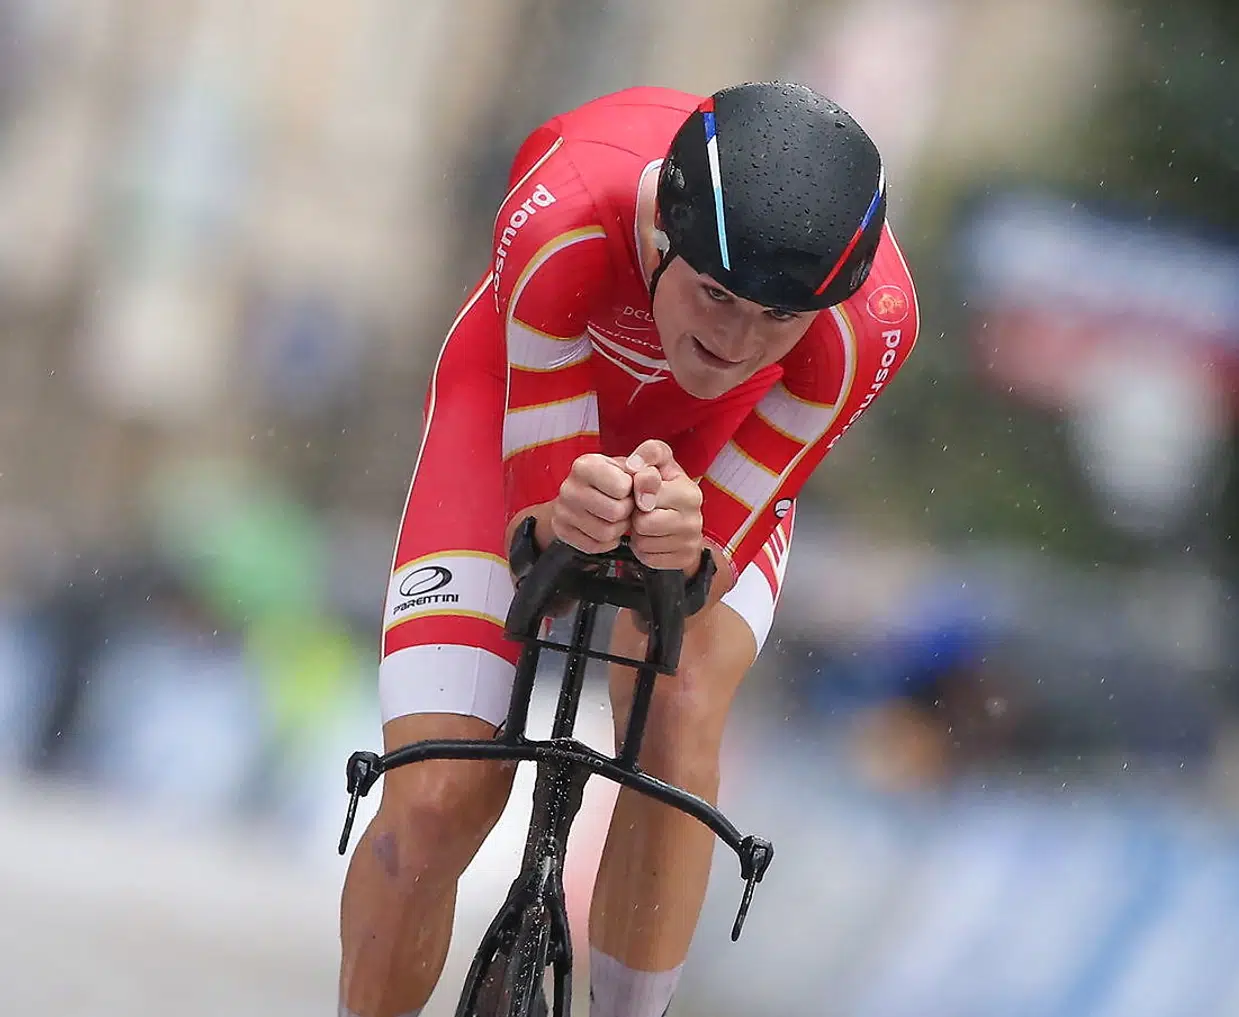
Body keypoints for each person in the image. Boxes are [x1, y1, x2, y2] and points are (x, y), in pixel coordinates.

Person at [338, 80, 920, 1017]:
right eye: (717, 293)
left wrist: (690, 549)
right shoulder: (564, 212)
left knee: (679, 705)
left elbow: (713, 556)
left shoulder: (866, 330)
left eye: (778, 319)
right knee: (438, 794)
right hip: (524, 394)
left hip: (716, 447)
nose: (735, 339)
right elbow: (538, 521)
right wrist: (565, 518)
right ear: (665, 235)